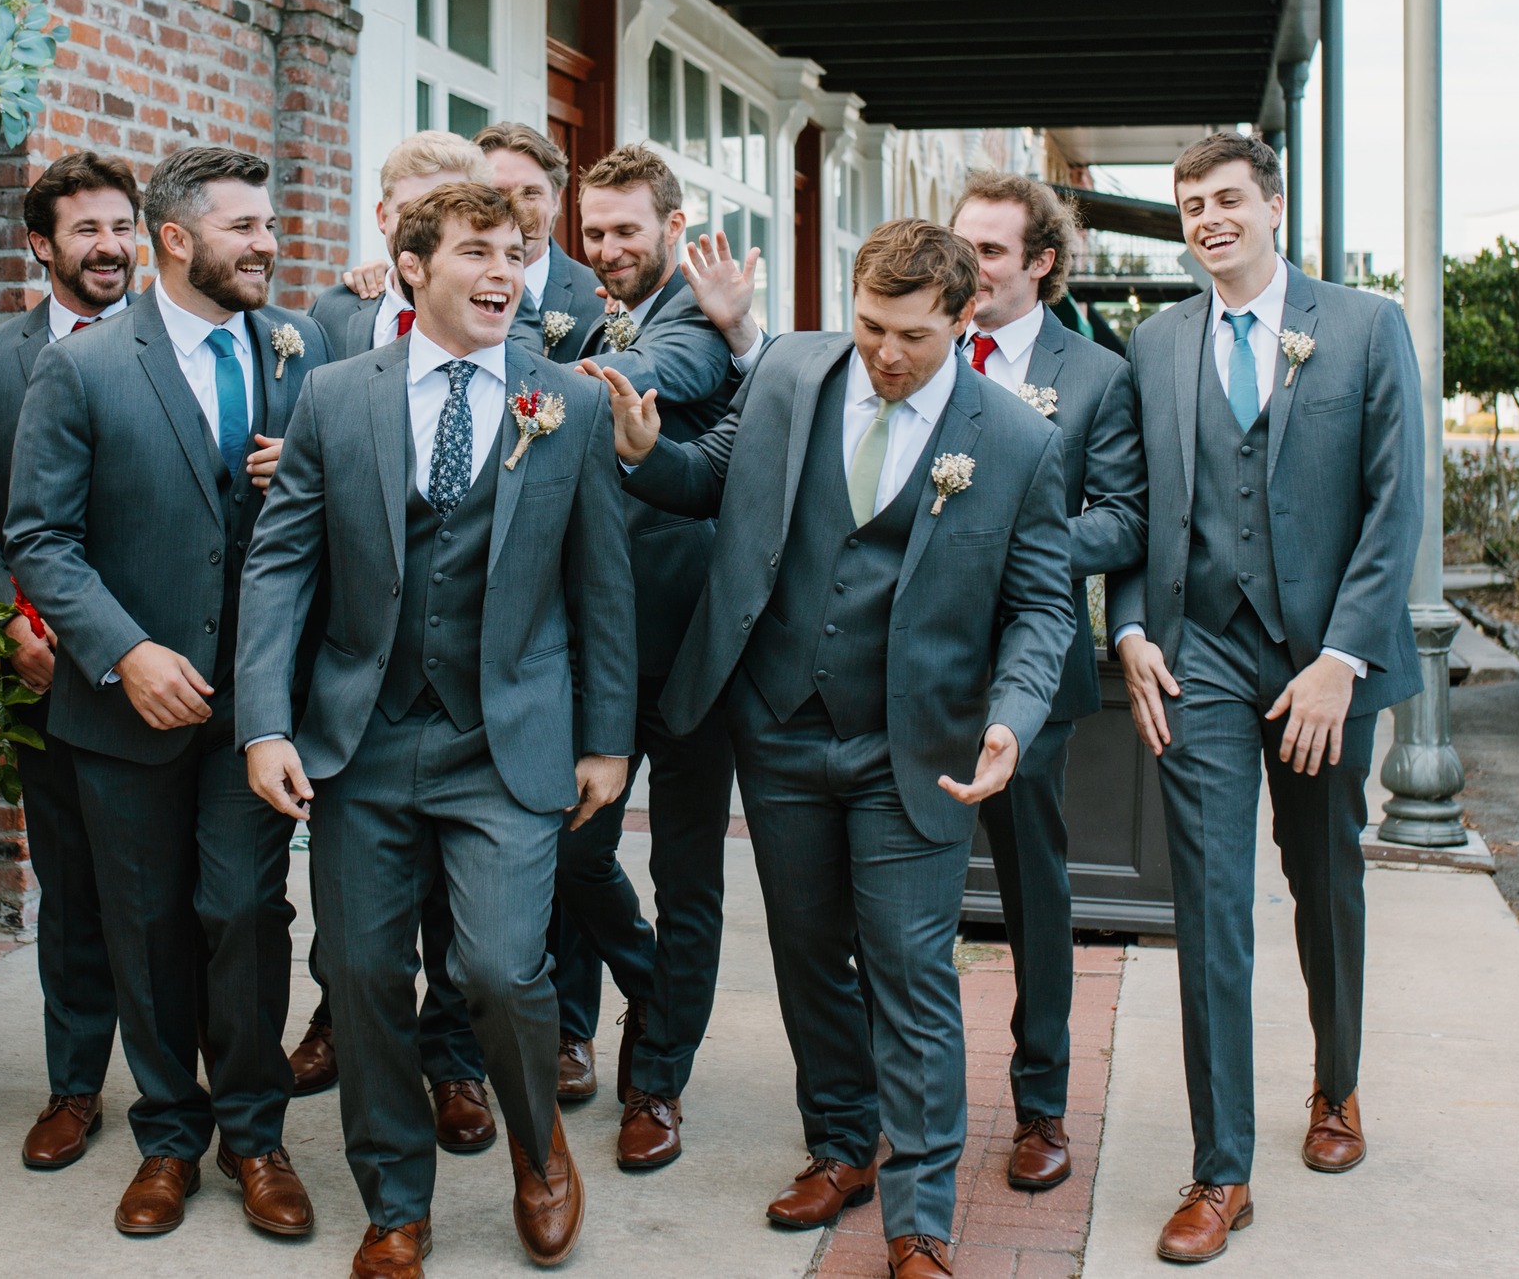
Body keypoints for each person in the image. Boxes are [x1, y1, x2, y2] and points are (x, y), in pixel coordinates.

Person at [599, 218, 1075, 1279]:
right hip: (774, 728)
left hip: (917, 748)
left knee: (909, 972)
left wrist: (1013, 714)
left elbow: (1043, 606)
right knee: (806, 955)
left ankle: (917, 1219)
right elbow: (711, 478)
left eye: (911, 334)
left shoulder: (1015, 440)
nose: (885, 352)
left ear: (961, 319)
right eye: (868, 325)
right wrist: (642, 453)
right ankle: (837, 1142)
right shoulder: (786, 374)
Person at [236, 182, 634, 1277]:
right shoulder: (332, 396)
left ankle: (539, 1152)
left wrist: (606, 740)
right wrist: (264, 723)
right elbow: (281, 566)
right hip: (359, 738)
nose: (504, 271)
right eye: (476, 250)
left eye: (516, 251)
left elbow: (601, 584)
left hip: (502, 740)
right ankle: (394, 1203)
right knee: (361, 973)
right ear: (412, 267)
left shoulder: (571, 403)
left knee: (503, 972)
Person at [1105, 132, 1422, 1265]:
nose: (1207, 219)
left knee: (1324, 880)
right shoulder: (1154, 343)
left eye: (1226, 199)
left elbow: (1393, 507)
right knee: (1209, 907)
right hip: (1200, 656)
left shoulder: (1363, 326)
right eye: (1190, 205)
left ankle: (1332, 1088)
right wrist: (1130, 628)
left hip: (1321, 662)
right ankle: (1218, 1168)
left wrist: (1342, 656)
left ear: (1272, 205)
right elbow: (1138, 509)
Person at [4, 146, 332, 1241]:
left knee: (243, 913)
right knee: (142, 929)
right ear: (177, 240)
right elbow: (39, 539)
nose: (268, 244)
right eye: (243, 227)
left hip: (258, 707)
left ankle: (255, 1136)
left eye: (268, 224)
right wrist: (123, 653)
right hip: (122, 707)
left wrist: (309, 482)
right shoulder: (86, 366)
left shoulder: (301, 349)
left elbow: (344, 516)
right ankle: (166, 1139)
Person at [289, 131, 499, 1159]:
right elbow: (291, 540)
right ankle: (356, 1035)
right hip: (362, 675)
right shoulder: (329, 322)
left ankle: (455, 1059)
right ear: (394, 233)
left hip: (483, 698)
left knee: (477, 936)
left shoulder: (532, 361)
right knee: (362, 938)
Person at [549, 143, 758, 1169]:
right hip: (598, 652)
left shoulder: (697, 326)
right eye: (593, 231)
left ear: (671, 228)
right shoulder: (593, 313)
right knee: (571, 849)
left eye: (627, 229)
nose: (608, 248)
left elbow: (655, 378)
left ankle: (657, 1079)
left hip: (690, 653)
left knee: (686, 872)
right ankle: (651, 985)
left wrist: (521, 380)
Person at [0, 150, 140, 1171]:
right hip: (48, 668)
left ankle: (187, 1098)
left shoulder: (191, 340)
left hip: (168, 669)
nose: (109, 247)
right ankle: (72, 1090)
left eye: (121, 227)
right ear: (39, 245)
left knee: (187, 896)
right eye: (86, 231)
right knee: (70, 890)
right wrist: (3, 621)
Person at [948, 172, 1145, 1191]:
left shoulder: (1095, 375)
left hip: (1030, 669)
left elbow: (1120, 517)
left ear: (1039, 263)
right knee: (902, 893)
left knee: (1033, 894)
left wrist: (1011, 543)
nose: (969, 269)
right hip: (914, 672)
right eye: (961, 245)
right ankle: (900, 1104)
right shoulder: (913, 342)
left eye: (989, 252)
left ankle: (1039, 1108)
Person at [309, 131, 492, 359]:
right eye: (407, 210)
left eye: (444, 213)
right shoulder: (333, 311)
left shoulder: (494, 316)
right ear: (382, 217)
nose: (423, 228)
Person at [472, 122, 606, 361]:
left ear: (556, 200)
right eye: (497, 193)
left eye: (531, 193)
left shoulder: (600, 299)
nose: (517, 208)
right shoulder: (441, 285)